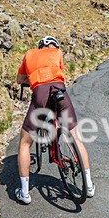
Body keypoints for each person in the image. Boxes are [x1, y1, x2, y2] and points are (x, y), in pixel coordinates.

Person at [14, 36, 94, 204]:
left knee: (25, 143)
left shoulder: (29, 54)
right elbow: (59, 70)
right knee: (76, 138)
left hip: (40, 95)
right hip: (60, 91)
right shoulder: (57, 52)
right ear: (53, 46)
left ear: (39, 46)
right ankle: (89, 185)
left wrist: (32, 79)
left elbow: (19, 80)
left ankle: (24, 192)